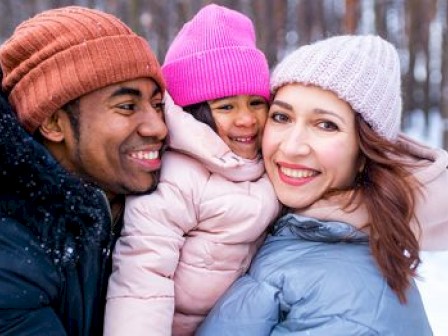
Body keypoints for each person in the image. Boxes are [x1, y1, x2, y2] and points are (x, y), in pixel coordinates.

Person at [197, 35, 438, 335]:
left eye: (326, 125)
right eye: (282, 116)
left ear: (364, 154)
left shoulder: (349, 308)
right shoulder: (283, 229)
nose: (293, 146)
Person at [104, 4, 280, 336]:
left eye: (256, 102)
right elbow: (143, 277)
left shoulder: (270, 161)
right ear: (195, 112)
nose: (247, 119)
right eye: (226, 106)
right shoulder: (176, 176)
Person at [0, 6, 167, 336]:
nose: (157, 127)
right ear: (52, 122)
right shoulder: (13, 253)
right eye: (127, 106)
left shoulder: (160, 204)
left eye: (158, 105)